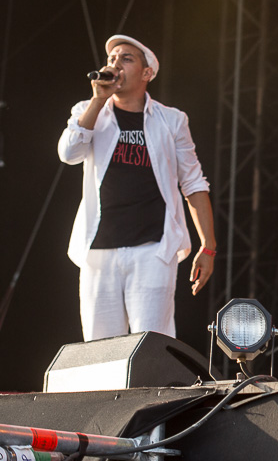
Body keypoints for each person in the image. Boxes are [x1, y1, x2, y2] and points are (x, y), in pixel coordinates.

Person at [58, 34, 216, 341]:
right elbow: (69, 153)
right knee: (99, 350)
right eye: (112, 59)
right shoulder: (88, 110)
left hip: (153, 249)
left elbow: (193, 183)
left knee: (151, 346)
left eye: (126, 58)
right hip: (99, 250)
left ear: (147, 73)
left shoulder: (171, 120)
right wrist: (98, 101)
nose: (115, 63)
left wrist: (207, 246)